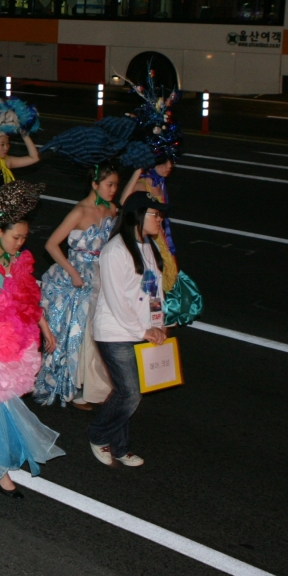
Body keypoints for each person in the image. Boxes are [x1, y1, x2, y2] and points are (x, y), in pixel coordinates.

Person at [0, 181, 64, 497]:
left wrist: (45, 329)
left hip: (14, 341)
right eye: (16, 237)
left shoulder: (16, 259)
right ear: (0, 232)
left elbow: (30, 298)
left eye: (24, 238)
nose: (21, 243)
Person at [33, 162, 138, 409]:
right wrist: (72, 273)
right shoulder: (80, 211)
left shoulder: (112, 209)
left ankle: (95, 387)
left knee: (100, 331)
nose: (113, 189)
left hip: (102, 273)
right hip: (78, 274)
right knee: (78, 333)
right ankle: (77, 386)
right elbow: (51, 244)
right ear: (95, 184)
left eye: (115, 185)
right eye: (109, 184)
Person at [87, 192, 169, 468]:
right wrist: (143, 331)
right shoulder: (115, 251)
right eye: (155, 214)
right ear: (137, 215)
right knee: (130, 392)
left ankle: (120, 447)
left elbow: (154, 290)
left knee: (125, 390)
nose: (160, 219)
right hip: (114, 332)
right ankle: (98, 435)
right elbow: (115, 299)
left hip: (140, 330)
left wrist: (158, 323)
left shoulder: (148, 247)